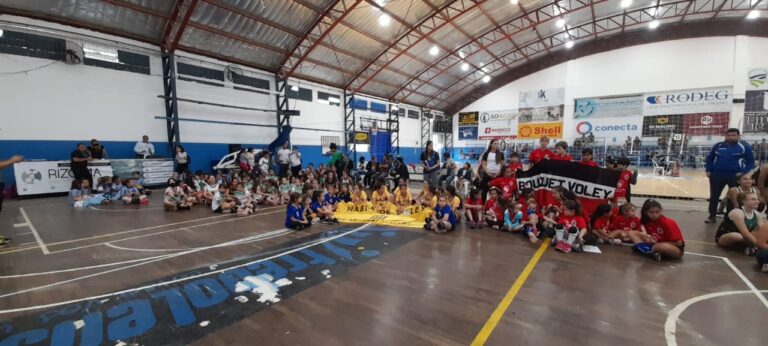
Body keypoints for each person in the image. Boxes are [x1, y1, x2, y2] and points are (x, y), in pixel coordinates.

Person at [705, 128, 755, 223]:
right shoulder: (718, 146)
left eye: (733, 135)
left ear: (738, 136)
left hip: (734, 176)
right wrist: (708, 170)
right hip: (717, 175)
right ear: (725, 136)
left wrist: (743, 172)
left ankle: (730, 218)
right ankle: (712, 216)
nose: (731, 137)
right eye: (728, 135)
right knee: (714, 196)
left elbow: (750, 162)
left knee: (734, 197)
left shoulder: (744, 147)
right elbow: (710, 159)